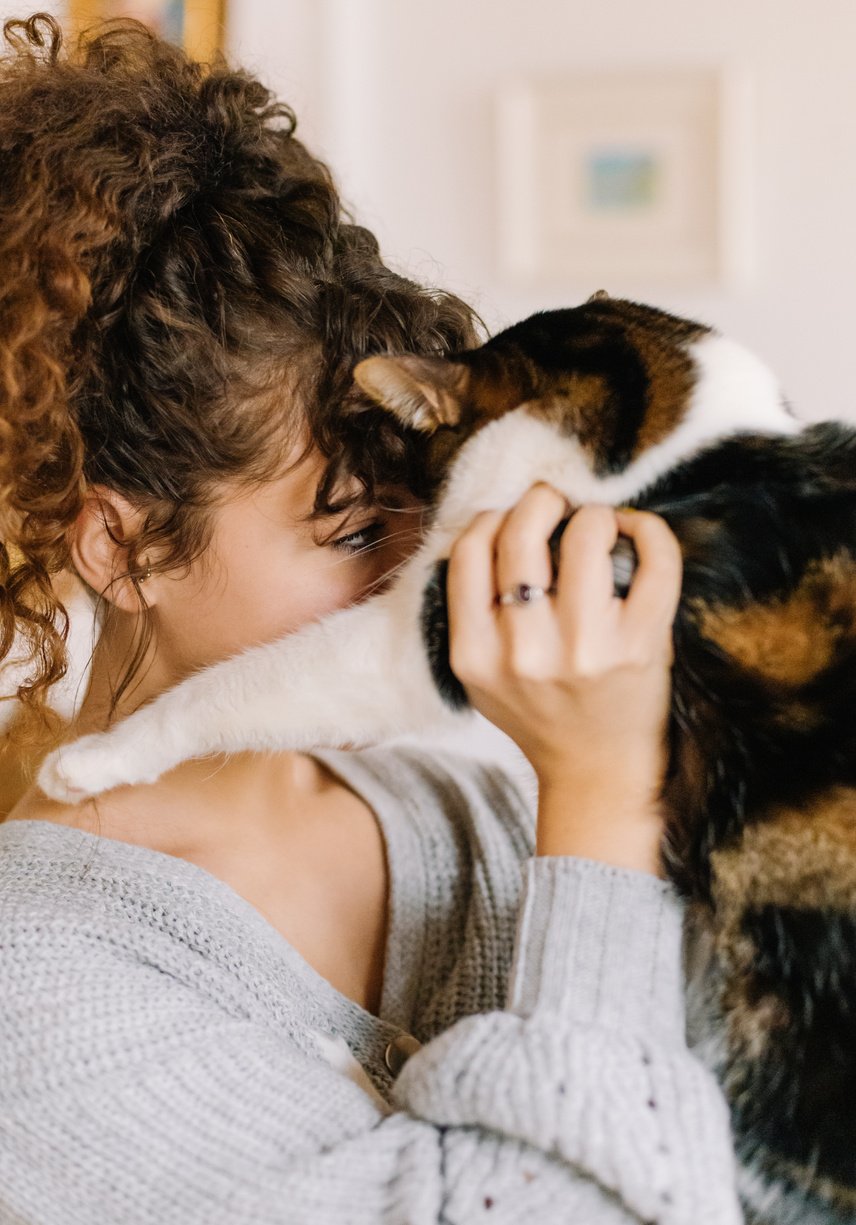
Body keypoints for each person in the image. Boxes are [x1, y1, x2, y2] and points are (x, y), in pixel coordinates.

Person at [0, 14, 741, 1224]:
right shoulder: (34, 991)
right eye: (349, 533)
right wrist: (606, 793)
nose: (423, 581)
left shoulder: (460, 806)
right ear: (120, 544)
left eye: (426, 511)